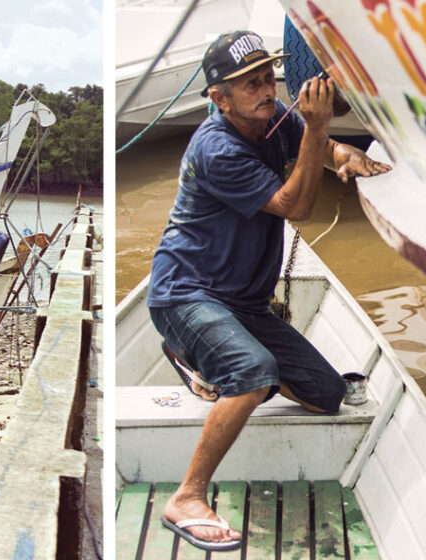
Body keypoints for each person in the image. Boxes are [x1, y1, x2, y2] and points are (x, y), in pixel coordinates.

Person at [147, 30, 391, 552]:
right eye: (249, 85)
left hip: (242, 304)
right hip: (187, 293)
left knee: (327, 397)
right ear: (219, 98)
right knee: (252, 373)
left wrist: (351, 157)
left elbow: (324, 150)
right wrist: (319, 124)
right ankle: (187, 497)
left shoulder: (275, 119)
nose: (265, 90)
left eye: (266, 79)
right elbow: (296, 206)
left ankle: (210, 362)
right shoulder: (216, 148)